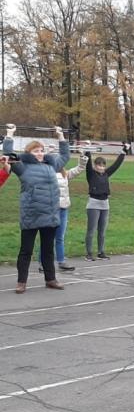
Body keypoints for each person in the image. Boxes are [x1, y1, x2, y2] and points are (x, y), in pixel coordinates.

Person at [4, 124, 69, 293]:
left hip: (50, 215)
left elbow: (65, 155)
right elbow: (8, 154)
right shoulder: (22, 167)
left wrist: (60, 135)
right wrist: (10, 134)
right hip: (31, 216)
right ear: (29, 153)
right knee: (26, 250)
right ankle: (21, 282)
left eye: (41, 150)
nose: (40, 153)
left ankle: (51, 279)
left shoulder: (51, 165)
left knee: (48, 251)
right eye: (36, 151)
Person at [38, 152, 87, 272]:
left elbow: (79, 169)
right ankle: (42, 262)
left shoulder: (65, 174)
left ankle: (61, 261)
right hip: (50, 210)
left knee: (60, 237)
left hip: (63, 209)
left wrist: (83, 157)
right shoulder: (46, 174)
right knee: (47, 238)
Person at [85, 147, 127, 261]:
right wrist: (88, 151)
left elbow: (116, 165)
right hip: (93, 204)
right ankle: (89, 253)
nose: (101, 168)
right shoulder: (91, 174)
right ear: (95, 166)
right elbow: (88, 164)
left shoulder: (106, 173)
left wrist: (123, 152)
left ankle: (101, 252)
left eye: (103, 166)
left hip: (105, 204)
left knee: (102, 231)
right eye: (99, 165)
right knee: (91, 230)